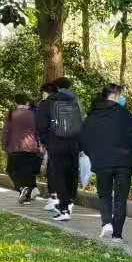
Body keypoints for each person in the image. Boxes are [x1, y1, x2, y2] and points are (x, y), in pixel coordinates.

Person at [81, 84, 132, 242]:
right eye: (121, 95)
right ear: (115, 96)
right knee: (121, 198)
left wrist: (93, 154)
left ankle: (106, 222)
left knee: (104, 194)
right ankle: (117, 235)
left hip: (102, 162)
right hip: (124, 163)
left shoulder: (92, 115)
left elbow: (84, 140)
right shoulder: (126, 115)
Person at [36, 77, 83, 221]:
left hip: (56, 143)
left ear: (55, 88)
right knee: (72, 172)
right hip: (74, 143)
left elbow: (41, 126)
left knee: (59, 175)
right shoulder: (75, 101)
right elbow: (82, 122)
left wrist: (46, 142)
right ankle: (70, 201)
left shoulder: (47, 103)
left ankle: (64, 209)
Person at [0, 95, 42, 203]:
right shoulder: (34, 115)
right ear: (27, 102)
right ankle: (26, 198)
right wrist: (41, 146)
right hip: (32, 147)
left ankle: (21, 188)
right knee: (27, 172)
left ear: (16, 103)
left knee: (11, 170)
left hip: (15, 147)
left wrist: (3, 145)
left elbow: (6, 131)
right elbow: (38, 132)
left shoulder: (11, 114)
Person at [34, 82, 59, 212]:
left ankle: (54, 198)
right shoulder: (68, 102)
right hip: (70, 141)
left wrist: (43, 142)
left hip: (53, 141)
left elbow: (40, 125)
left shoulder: (44, 104)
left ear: (45, 92)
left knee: (53, 168)